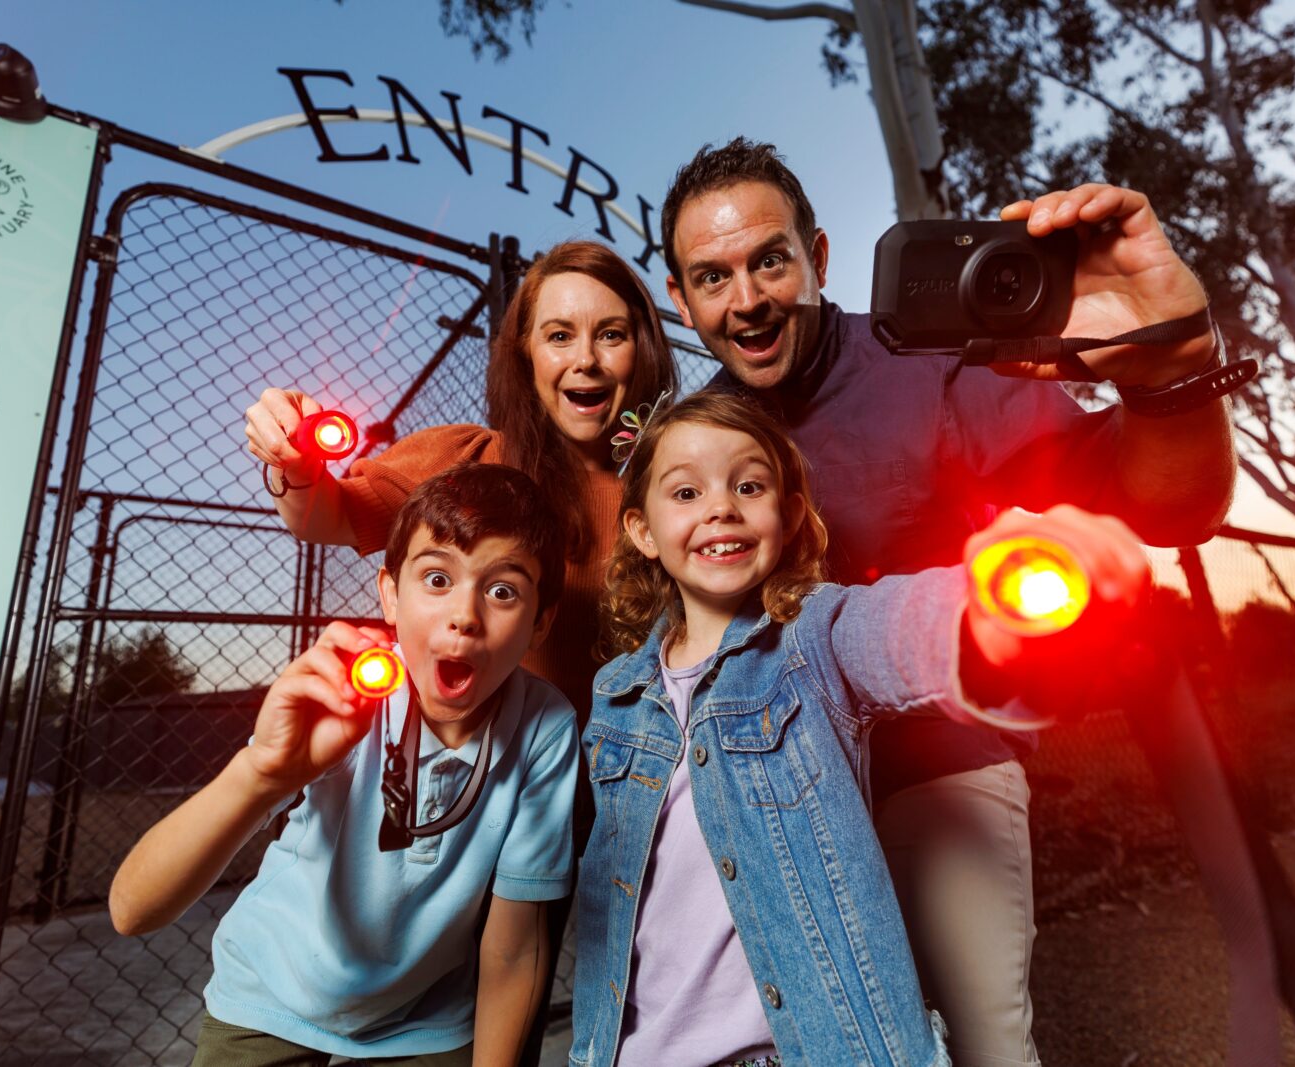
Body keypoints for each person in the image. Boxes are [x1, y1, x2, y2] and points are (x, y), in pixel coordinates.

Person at [658, 138, 1238, 1066]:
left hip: (939, 767)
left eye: (770, 259)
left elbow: (1171, 507)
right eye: (711, 277)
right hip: (781, 795)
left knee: (984, 1048)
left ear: (818, 257)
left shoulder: (931, 363)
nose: (747, 299)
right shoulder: (698, 441)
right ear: (682, 301)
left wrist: (1170, 363)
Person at [570, 390, 1149, 1067]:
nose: (720, 506)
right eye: (687, 491)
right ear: (642, 530)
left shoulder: (812, 638)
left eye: (748, 484)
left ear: (787, 516)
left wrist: (996, 607)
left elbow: (901, 628)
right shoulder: (615, 697)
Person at [110, 463, 579, 1066]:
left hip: (424, 1018)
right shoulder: (348, 695)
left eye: (502, 590)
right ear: (390, 594)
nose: (465, 614)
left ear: (541, 621)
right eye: (437, 578)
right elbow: (132, 911)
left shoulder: (546, 727)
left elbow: (514, 950)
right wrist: (263, 776)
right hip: (271, 995)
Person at [244, 239, 679, 720]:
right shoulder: (470, 458)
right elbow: (323, 518)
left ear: (641, 350)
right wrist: (293, 460)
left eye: (612, 335)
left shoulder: (666, 493)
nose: (585, 360)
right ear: (525, 354)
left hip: (627, 779)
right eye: (559, 336)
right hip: (488, 772)